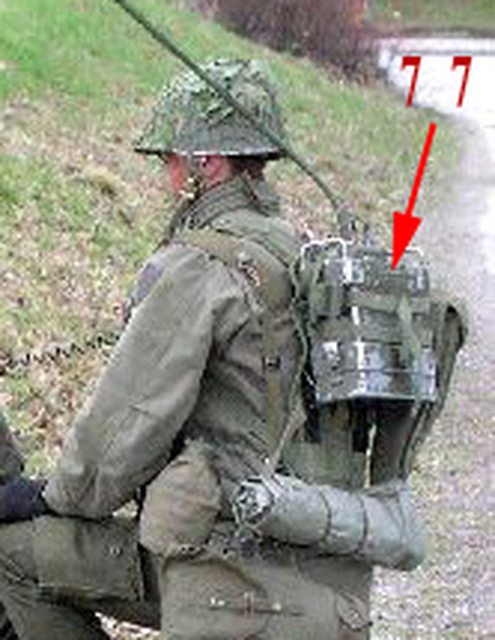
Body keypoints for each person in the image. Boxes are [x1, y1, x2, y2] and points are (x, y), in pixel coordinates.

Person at [1, 58, 459, 640]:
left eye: (170, 158)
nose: (165, 174)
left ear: (206, 163)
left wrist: (47, 495)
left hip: (232, 581)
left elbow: (120, 439)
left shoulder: (198, 267)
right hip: (334, 592)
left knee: (9, 554)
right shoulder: (306, 257)